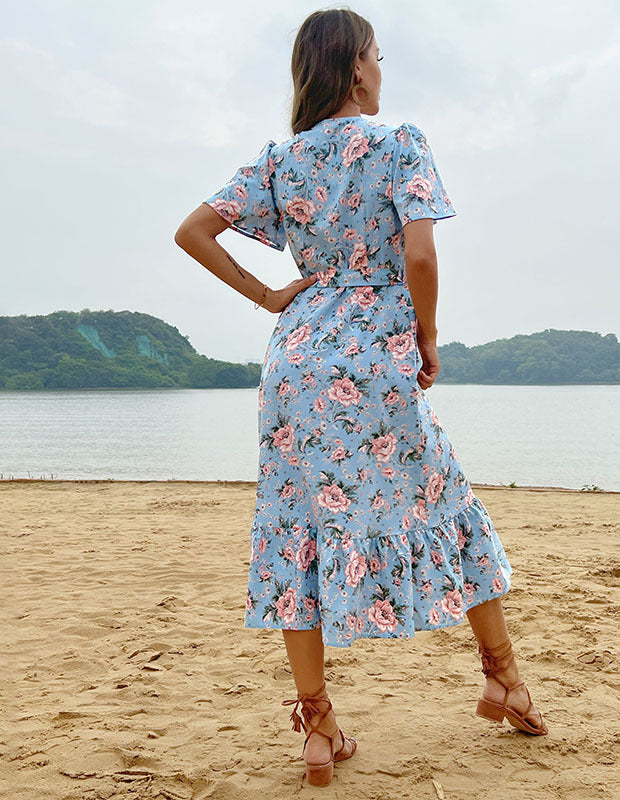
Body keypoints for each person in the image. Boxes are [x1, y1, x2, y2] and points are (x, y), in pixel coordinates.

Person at [175, 6, 547, 787]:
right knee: (446, 503)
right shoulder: (397, 143)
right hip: (377, 357)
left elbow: (194, 231)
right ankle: (503, 678)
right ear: (353, 69)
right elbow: (420, 254)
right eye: (377, 57)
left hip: (298, 361)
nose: (382, 71)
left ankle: (318, 729)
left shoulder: (280, 161)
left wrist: (270, 297)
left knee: (295, 527)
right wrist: (428, 335)